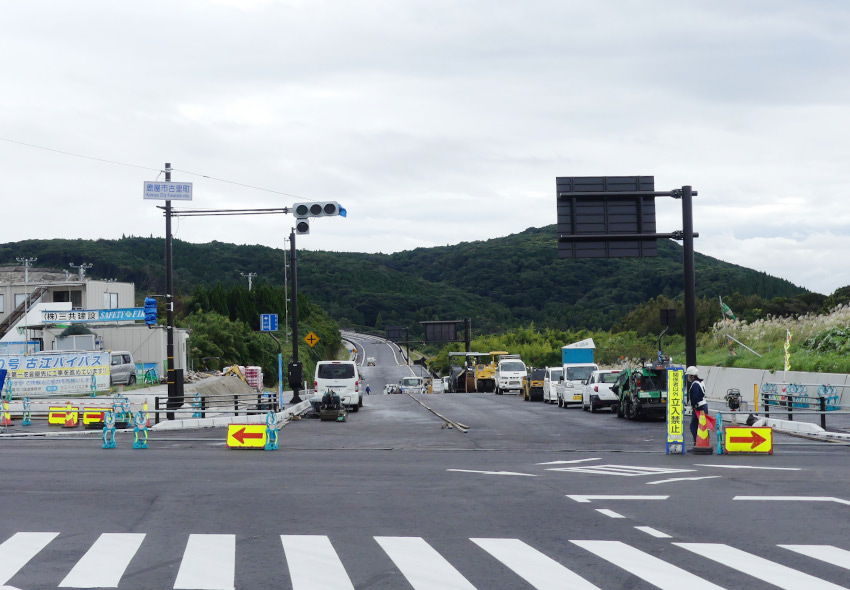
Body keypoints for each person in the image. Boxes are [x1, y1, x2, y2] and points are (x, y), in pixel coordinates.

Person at [686, 365, 707, 444]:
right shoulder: (701, 382)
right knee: (702, 425)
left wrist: (693, 406)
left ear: (691, 375)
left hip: (699, 407)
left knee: (694, 426)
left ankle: (697, 443)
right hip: (703, 405)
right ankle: (703, 443)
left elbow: (695, 397)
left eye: (688, 375)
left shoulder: (695, 384)